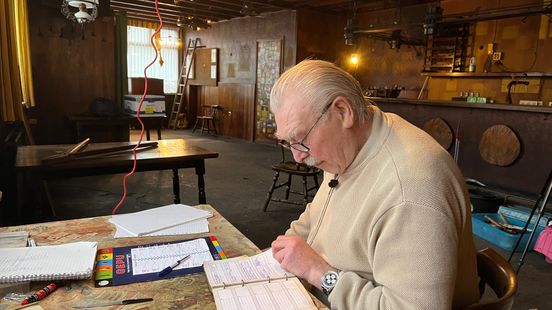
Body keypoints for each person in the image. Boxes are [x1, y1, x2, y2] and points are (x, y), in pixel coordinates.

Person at [269, 60, 479, 309]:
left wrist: (321, 274)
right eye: (287, 142)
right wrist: (277, 256)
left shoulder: (412, 187)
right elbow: (315, 219)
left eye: (300, 139)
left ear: (343, 112)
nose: (297, 156)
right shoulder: (351, 146)